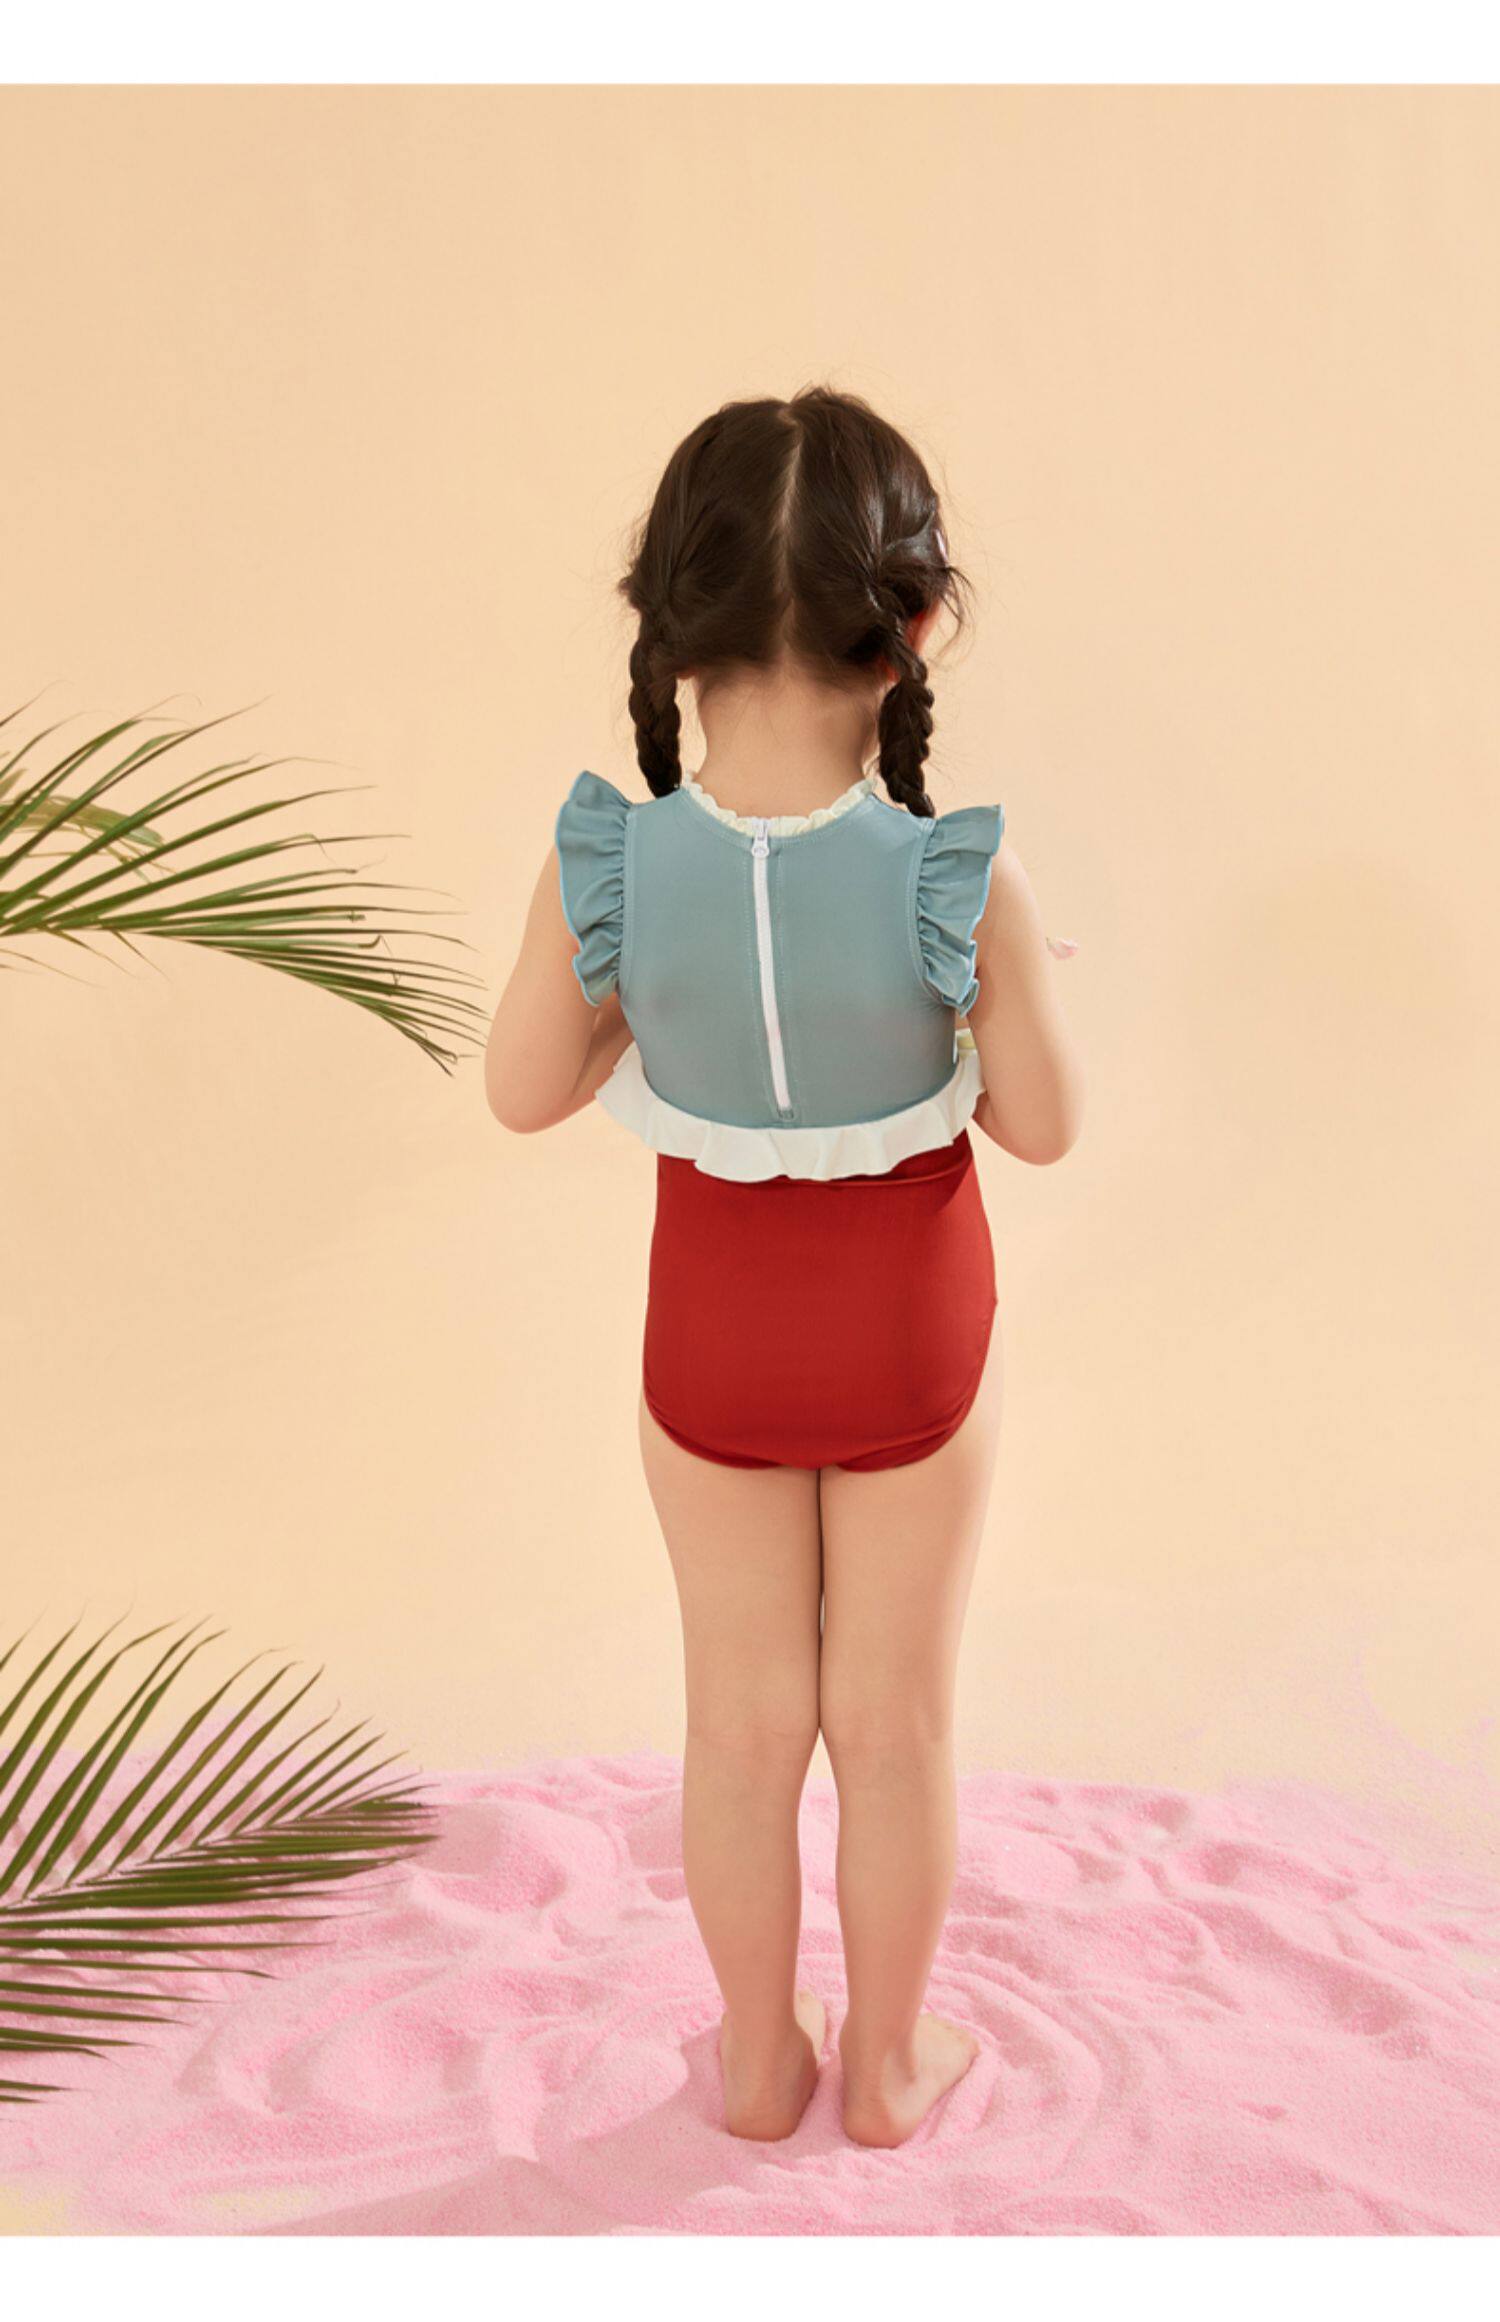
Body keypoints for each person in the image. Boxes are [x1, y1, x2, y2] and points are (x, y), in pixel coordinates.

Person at [486, 386, 1084, 2148]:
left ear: (667, 624)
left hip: (713, 1345)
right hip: (912, 1343)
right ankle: (886, 2069)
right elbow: (1044, 1125)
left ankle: (759, 2060)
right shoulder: (954, 873)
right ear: (917, 620)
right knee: (893, 1726)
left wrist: (636, 1016)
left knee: (740, 1726)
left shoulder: (609, 861)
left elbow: (524, 1087)